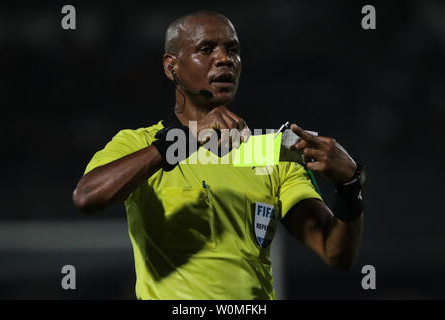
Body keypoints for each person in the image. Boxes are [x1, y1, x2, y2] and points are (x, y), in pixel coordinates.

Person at [73, 11, 365, 300]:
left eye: (233, 49)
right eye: (206, 49)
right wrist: (184, 140)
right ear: (171, 67)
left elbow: (335, 253)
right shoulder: (139, 144)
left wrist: (349, 187)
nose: (225, 58)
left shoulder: (270, 152)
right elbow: (87, 197)